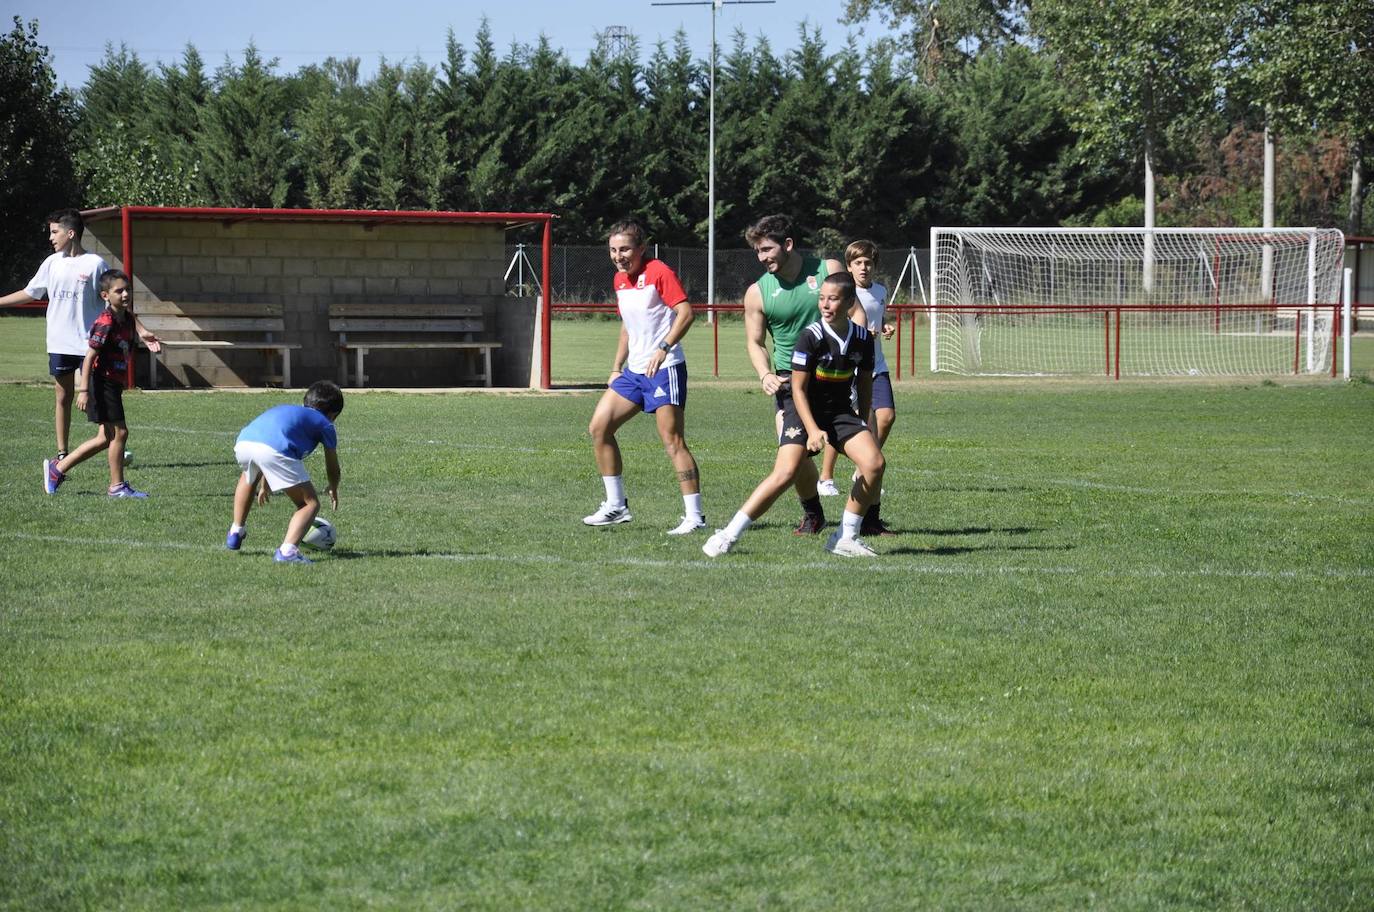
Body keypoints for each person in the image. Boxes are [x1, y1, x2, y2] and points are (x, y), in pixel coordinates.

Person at [705, 271, 885, 557]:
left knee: (874, 464)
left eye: (833, 299)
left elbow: (864, 384)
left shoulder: (862, 338)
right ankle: (728, 535)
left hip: (839, 412)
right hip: (801, 409)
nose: (825, 305)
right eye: (822, 298)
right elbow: (798, 391)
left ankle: (845, 538)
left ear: (850, 302)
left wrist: (863, 422)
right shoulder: (810, 337)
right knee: (786, 472)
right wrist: (813, 431)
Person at [582, 217, 705, 535]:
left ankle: (694, 516)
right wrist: (615, 367)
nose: (619, 256)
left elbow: (686, 312)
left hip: (664, 370)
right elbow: (627, 326)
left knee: (673, 442)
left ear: (641, 248)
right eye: (613, 250)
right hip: (634, 373)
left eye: (625, 249)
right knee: (599, 428)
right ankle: (616, 507)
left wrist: (664, 347)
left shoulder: (659, 271)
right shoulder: (619, 280)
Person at [740, 214, 850, 534]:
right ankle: (814, 513)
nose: (762, 258)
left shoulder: (828, 270)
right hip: (790, 381)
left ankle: (868, 519)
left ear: (788, 245)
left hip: (835, 375)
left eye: (767, 249)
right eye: (758, 252)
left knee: (866, 449)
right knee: (794, 455)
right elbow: (755, 342)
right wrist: (764, 374)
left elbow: (852, 312)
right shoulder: (757, 292)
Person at [42, 270, 160, 498]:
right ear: (105, 295)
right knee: (120, 433)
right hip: (101, 383)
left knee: (105, 438)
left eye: (128, 289)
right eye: (119, 291)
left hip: (112, 384)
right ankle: (116, 487)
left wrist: (143, 332)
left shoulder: (125, 316)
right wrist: (83, 390)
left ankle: (57, 469)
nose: (126, 294)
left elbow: (131, 318)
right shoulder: (105, 322)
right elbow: (89, 358)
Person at [817, 240, 896, 535]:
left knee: (885, 416)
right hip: (849, 369)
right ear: (848, 266)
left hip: (877, 366)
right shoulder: (844, 294)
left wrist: (883, 327)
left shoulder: (879, 291)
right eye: (858, 263)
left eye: (869, 263)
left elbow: (878, 317)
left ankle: (865, 468)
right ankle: (825, 478)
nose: (864, 267)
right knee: (847, 424)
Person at [227, 380, 343, 564]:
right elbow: (332, 465)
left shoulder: (289, 410)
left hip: (244, 442)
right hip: (272, 450)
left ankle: (236, 530)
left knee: (248, 476)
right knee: (309, 504)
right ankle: (288, 551)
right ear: (333, 415)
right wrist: (334, 486)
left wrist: (265, 483)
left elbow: (269, 440)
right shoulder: (326, 424)